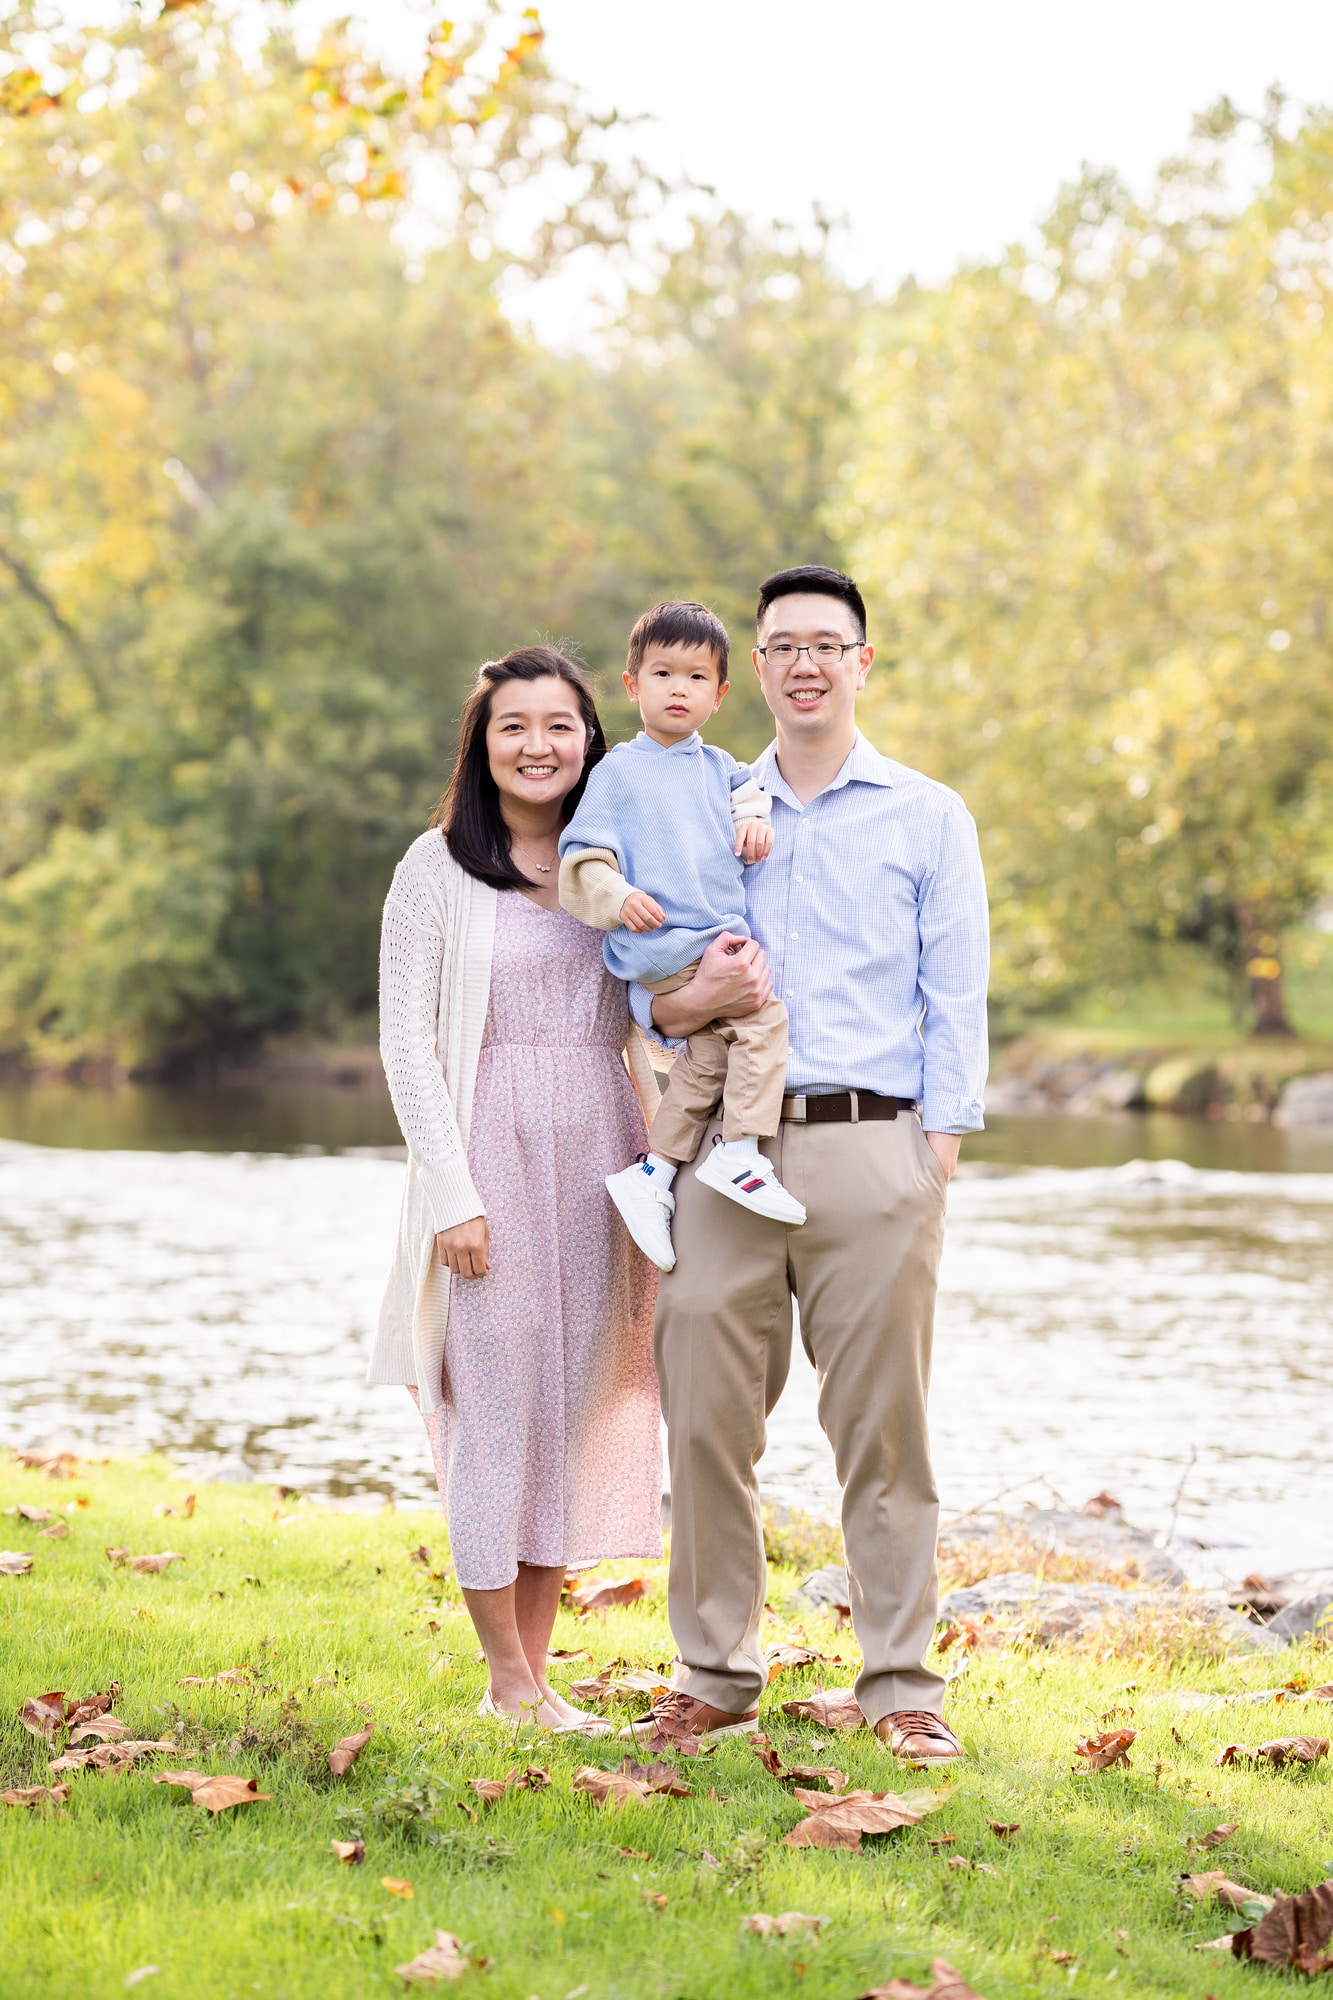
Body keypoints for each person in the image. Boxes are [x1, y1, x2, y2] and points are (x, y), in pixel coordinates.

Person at [625, 565, 990, 1766]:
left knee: (885, 1431)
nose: (803, 664)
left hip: (873, 1146)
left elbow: (956, 994)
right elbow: (649, 989)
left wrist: (932, 1147)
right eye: (780, 644)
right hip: (728, 1151)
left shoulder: (928, 813)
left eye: (826, 643)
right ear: (756, 672)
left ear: (862, 662)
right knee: (705, 1419)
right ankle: (716, 1673)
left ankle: (898, 1682)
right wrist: (691, 1001)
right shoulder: (705, 799)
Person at [369, 645, 663, 1733]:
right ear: (482, 744)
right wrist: (452, 1192)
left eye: (559, 725)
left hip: (599, 1150)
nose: (537, 744)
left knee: (565, 1412)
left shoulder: (614, 862)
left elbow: (656, 1006)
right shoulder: (436, 867)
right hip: (485, 1147)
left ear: (590, 738)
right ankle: (503, 1677)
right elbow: (406, 1041)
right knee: (491, 1411)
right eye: (513, 726)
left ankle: (536, 1682)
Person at [558, 600, 803, 1273]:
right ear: (633, 684)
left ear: (719, 695)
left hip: (707, 945)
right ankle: (741, 1152)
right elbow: (582, 860)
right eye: (662, 673)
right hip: (670, 945)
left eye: (696, 678)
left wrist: (753, 824)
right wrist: (620, 897)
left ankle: (653, 1175)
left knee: (707, 1061)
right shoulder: (616, 775)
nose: (678, 689)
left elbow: (751, 798)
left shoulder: (719, 767)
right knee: (763, 1019)